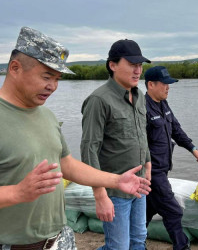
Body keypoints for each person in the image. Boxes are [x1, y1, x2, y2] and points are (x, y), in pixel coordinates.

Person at [0, 27, 150, 250]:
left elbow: (66, 164)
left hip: (59, 241)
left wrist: (114, 181)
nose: (53, 86)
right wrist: (16, 192)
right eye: (46, 76)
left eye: (57, 78)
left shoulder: (46, 115)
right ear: (15, 68)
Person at [80, 39, 152, 250]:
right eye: (132, 64)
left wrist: (147, 162)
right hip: (114, 190)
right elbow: (89, 149)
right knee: (118, 246)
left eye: (140, 65)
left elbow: (141, 133)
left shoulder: (139, 97)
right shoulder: (99, 100)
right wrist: (100, 195)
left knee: (138, 240)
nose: (138, 70)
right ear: (112, 65)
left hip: (138, 185)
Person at [144, 66, 198, 250]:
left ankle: (136, 244)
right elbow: (138, 144)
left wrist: (192, 148)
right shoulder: (143, 109)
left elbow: (176, 130)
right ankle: (181, 247)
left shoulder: (163, 104)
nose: (168, 87)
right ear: (151, 85)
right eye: (164, 84)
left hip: (162, 169)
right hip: (152, 172)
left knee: (147, 211)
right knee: (173, 211)